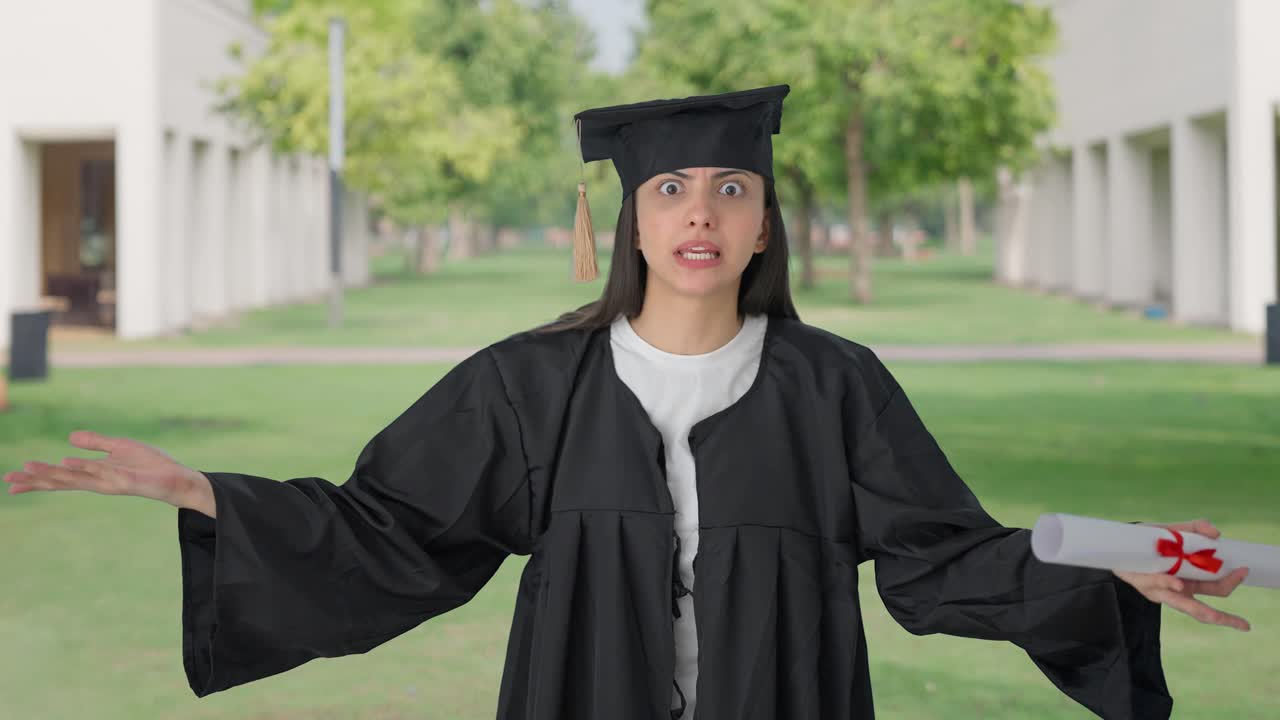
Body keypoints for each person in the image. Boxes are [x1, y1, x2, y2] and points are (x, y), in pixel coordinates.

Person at [3, 84, 1251, 720]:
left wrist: (1108, 570)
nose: (697, 212)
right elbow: (393, 529)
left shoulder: (834, 389)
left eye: (727, 188)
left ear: (765, 222)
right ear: (631, 216)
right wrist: (214, 494)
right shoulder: (528, 386)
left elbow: (943, 559)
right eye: (668, 190)